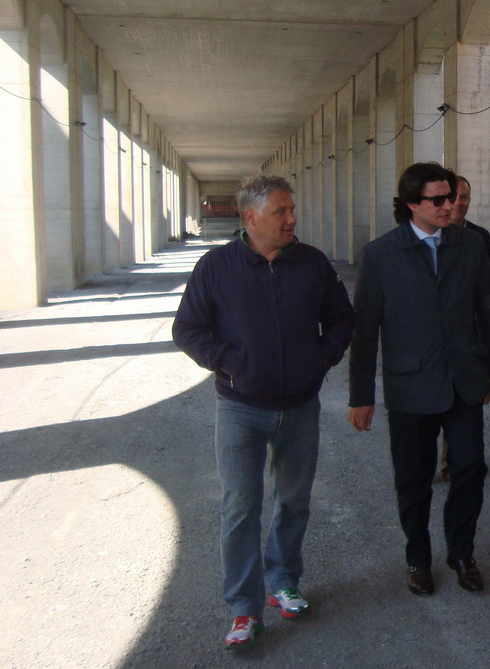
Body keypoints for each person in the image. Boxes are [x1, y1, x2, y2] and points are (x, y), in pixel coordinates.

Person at [172, 175, 355, 648]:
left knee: (294, 501)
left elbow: (341, 317)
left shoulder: (312, 263)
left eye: (292, 209)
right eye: (281, 211)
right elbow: (187, 329)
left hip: (300, 406)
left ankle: (283, 581)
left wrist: (321, 358)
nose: (292, 219)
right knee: (240, 507)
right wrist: (231, 363)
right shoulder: (217, 267)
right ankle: (243, 609)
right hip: (240, 408)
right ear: (251, 218)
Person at [347, 161, 490, 596]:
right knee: (413, 480)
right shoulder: (381, 254)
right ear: (412, 204)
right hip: (410, 386)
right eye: (438, 199)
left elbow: (487, 310)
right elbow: (365, 331)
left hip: (464, 381)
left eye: (451, 196)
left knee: (469, 470)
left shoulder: (471, 246)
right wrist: (361, 395)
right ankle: (418, 558)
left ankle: (462, 552)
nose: (449, 205)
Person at [439, 174, 490, 483]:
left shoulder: (479, 238)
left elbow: (485, 292)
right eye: (456, 196)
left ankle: (454, 461)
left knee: (462, 401)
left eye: (466, 197)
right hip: (438, 335)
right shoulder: (431, 235)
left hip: (469, 337)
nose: (461, 203)